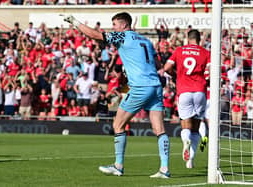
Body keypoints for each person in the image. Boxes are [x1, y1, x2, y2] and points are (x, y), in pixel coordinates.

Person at [63, 12, 170, 178]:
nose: (113, 28)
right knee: (159, 129)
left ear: (123, 25)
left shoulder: (122, 35)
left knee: (118, 124)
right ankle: (164, 169)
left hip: (140, 86)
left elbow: (95, 34)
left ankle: (118, 166)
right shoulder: (146, 40)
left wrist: (75, 22)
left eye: (114, 24)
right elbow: (157, 64)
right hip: (155, 86)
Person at [163, 29, 210, 169]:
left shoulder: (179, 50)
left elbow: (166, 67)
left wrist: (175, 75)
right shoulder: (205, 52)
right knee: (196, 128)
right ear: (199, 38)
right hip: (200, 91)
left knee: (185, 124)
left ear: (188, 39)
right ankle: (191, 160)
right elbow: (211, 71)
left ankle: (185, 142)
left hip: (184, 90)